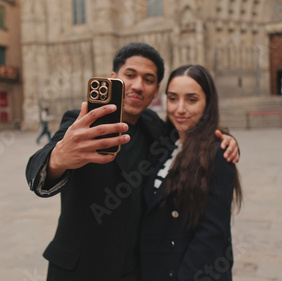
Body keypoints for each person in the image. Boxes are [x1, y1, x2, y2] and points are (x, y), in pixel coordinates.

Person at [25, 42, 240, 281]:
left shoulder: (155, 128)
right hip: (82, 270)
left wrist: (224, 139)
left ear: (156, 90)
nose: (138, 86)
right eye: (130, 75)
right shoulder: (81, 123)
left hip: (135, 271)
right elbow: (37, 170)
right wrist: (58, 157)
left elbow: (191, 137)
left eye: (148, 80)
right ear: (113, 77)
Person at [140, 65, 242, 281]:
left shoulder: (216, 154)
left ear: (207, 104)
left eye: (192, 99)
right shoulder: (165, 145)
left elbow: (211, 237)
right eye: (173, 98)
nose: (180, 109)